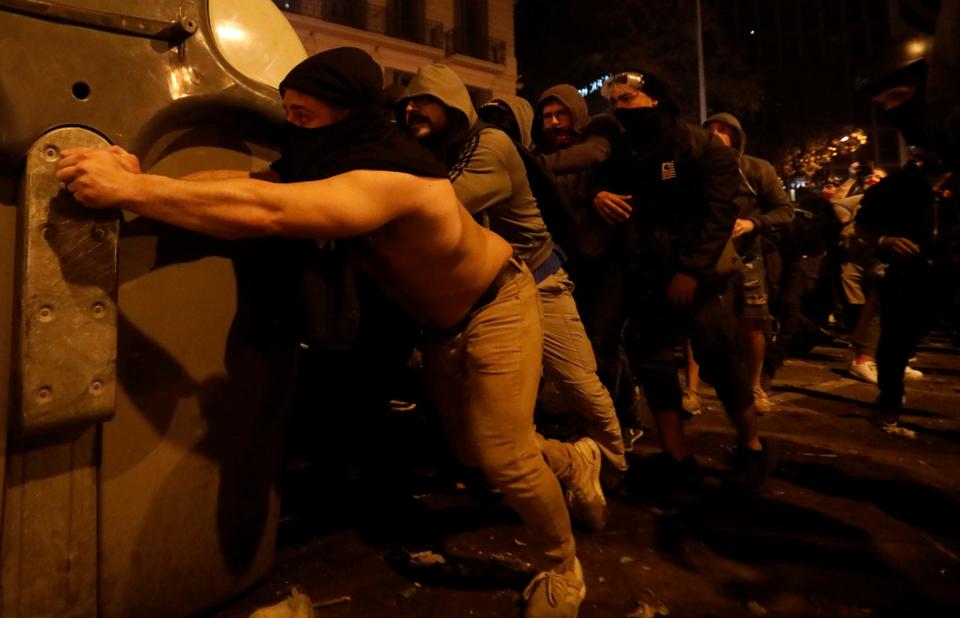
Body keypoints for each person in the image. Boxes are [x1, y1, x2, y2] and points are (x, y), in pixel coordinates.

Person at [57, 47, 593, 618]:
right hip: (443, 328)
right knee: (474, 449)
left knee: (501, 456)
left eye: (303, 116)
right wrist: (147, 176)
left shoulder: (392, 173)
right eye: (288, 112)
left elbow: (270, 211)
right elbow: (247, 181)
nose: (292, 128)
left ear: (348, 114)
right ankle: (571, 461)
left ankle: (563, 567)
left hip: (497, 307)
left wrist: (132, 194)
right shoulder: (335, 154)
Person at [396, 64, 627, 497]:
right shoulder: (435, 152)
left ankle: (613, 465)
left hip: (539, 281)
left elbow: (447, 205)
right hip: (487, 296)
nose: (411, 110)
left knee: (579, 383)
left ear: (451, 104)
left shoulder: (490, 144)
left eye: (422, 101)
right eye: (406, 104)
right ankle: (560, 466)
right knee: (485, 418)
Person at [591, 70, 771, 489]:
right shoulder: (626, 146)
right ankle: (677, 456)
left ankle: (752, 447)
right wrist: (598, 194)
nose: (620, 108)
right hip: (645, 272)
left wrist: (691, 269)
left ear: (655, 99)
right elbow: (604, 182)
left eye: (628, 99)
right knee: (652, 364)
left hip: (695, 277)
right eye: (614, 101)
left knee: (719, 360)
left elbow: (719, 211)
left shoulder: (698, 144)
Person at [530, 84, 647, 447]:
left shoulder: (601, 143)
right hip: (567, 263)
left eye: (560, 114)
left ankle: (618, 423)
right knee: (586, 346)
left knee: (604, 342)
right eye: (547, 116)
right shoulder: (540, 154)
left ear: (575, 114)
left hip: (607, 260)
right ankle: (613, 414)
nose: (553, 122)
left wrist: (593, 193)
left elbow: (604, 167)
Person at [698, 113, 795, 413]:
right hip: (704, 256)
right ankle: (692, 389)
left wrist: (751, 224)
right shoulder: (695, 170)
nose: (716, 134)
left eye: (723, 129)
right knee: (700, 322)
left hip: (746, 259)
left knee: (752, 323)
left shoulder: (756, 169)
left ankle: (754, 385)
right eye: (710, 129)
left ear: (737, 136)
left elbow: (785, 210)